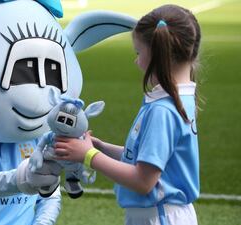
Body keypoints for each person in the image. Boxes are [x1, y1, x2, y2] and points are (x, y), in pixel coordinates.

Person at [54, 4, 202, 225]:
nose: (136, 61)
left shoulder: (162, 110)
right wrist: (100, 147)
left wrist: (89, 156)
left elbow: (143, 181)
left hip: (159, 217)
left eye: (138, 52)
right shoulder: (176, 99)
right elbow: (149, 159)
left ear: (158, 55)